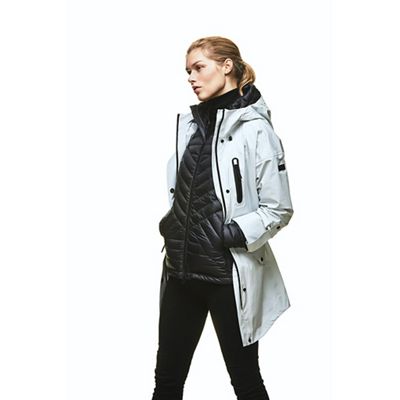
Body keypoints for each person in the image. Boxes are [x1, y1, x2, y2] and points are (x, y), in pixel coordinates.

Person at [152, 36, 294, 400]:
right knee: (166, 382)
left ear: (227, 66)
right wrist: (170, 225)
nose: (191, 78)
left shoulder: (255, 128)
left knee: (245, 382)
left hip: (226, 277)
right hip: (180, 271)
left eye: (199, 68)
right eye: (188, 71)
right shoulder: (191, 124)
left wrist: (229, 235)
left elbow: (278, 208)